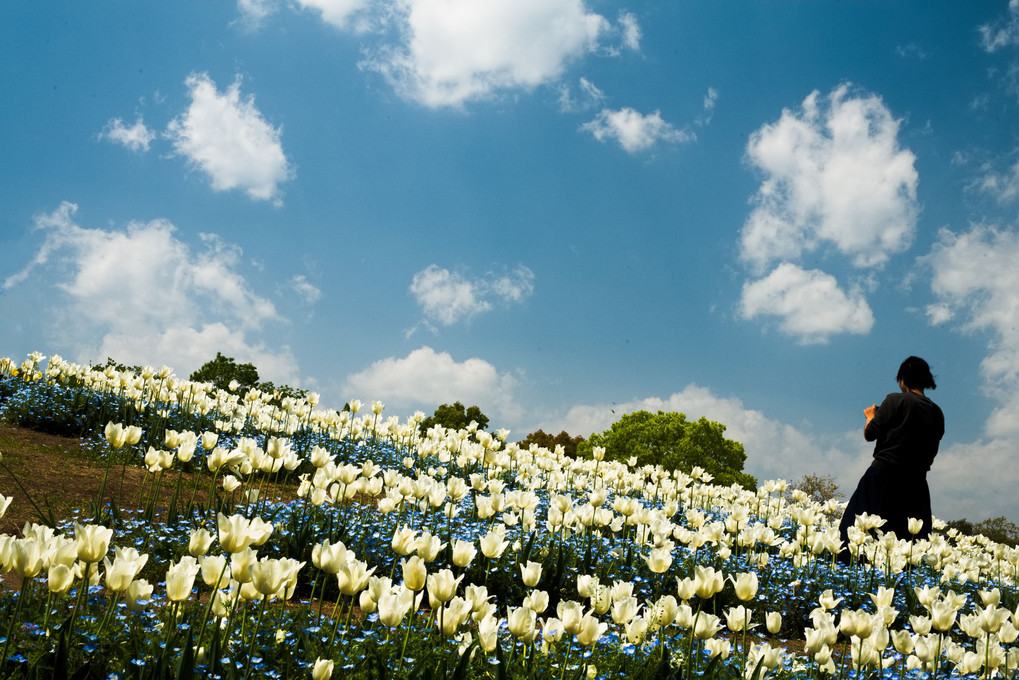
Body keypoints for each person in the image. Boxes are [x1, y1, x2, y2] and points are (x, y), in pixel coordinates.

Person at [838, 356, 945, 563]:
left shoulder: (895, 400)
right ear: (926, 380)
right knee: (906, 544)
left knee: (855, 534)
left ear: (902, 379)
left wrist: (871, 415)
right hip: (916, 484)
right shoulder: (937, 413)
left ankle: (854, 585)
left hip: (883, 477)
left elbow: (870, 434)